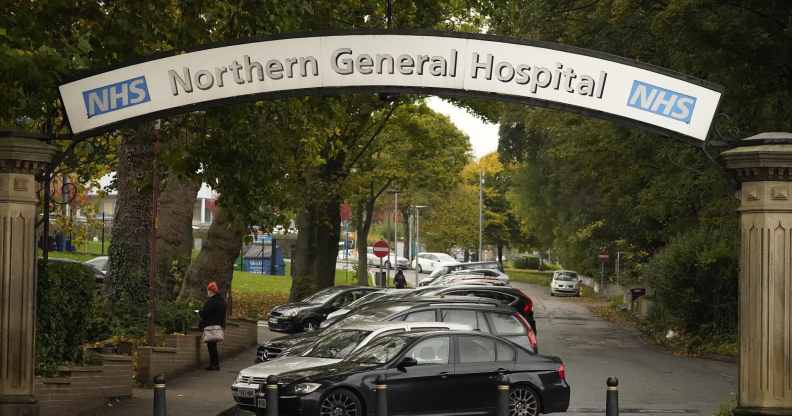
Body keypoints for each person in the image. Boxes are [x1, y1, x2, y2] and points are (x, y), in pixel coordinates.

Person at [199, 281, 226, 371]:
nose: (207, 292)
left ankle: (214, 365)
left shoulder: (211, 302)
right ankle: (215, 364)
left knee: (211, 347)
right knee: (213, 346)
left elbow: (205, 313)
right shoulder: (222, 301)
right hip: (218, 326)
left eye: (208, 291)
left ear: (211, 291)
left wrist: (199, 312)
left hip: (210, 327)